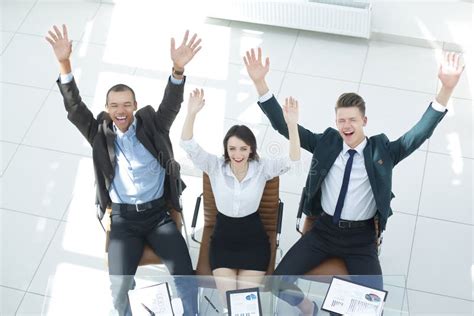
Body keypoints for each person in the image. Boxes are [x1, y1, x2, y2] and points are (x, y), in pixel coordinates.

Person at [244, 47, 464, 315]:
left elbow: (418, 134)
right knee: (277, 284)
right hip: (323, 231)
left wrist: (446, 91)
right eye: (341, 120)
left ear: (364, 121)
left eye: (352, 120)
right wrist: (260, 83)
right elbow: (283, 126)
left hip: (361, 239)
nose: (346, 126)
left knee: (370, 305)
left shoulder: (382, 151)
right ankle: (308, 307)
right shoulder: (327, 142)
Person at [45, 24, 202, 316]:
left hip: (158, 217)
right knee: (119, 292)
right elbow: (74, 107)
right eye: (115, 105)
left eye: (127, 104)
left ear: (135, 106)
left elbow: (171, 103)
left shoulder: (153, 124)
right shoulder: (99, 133)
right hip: (123, 221)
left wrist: (177, 70)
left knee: (186, 278)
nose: (121, 110)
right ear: (106, 108)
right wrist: (64, 63)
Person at [180, 88, 301, 305]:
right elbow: (188, 144)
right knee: (229, 302)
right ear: (226, 149)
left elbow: (293, 160)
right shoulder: (215, 166)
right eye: (232, 148)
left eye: (243, 149)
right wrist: (191, 114)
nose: (237, 155)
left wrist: (292, 125)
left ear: (251, 149)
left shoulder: (262, 168)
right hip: (223, 240)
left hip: (253, 240)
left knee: (245, 304)